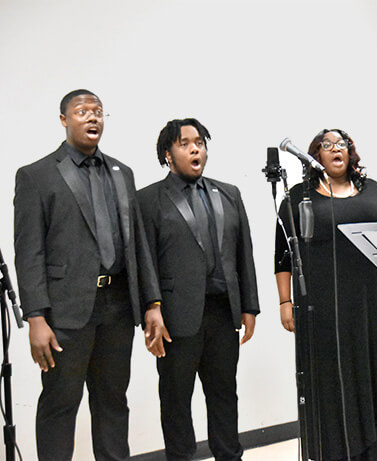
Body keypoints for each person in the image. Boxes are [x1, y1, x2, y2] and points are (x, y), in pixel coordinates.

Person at [14, 89, 164, 461]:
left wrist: (151, 302)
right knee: (60, 405)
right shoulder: (37, 175)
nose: (92, 117)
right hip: (65, 313)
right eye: (82, 111)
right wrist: (35, 317)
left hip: (116, 307)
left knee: (113, 402)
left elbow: (137, 245)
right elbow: (28, 253)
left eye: (98, 112)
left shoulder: (121, 173)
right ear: (64, 120)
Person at [274, 129, 377, 460]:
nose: (336, 149)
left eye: (342, 144)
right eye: (327, 145)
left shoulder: (373, 190)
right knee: (332, 382)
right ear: (315, 155)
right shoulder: (297, 198)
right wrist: (284, 301)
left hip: (374, 305)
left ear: (351, 152)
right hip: (323, 309)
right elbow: (283, 256)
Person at [137, 118, 260, 460]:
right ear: (167, 154)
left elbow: (243, 253)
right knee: (176, 400)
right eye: (184, 143)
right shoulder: (147, 200)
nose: (195, 148)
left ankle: (229, 455)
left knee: (224, 395)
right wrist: (151, 307)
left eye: (200, 142)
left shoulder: (228, 193)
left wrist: (249, 306)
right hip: (175, 318)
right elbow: (143, 260)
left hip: (223, 313)